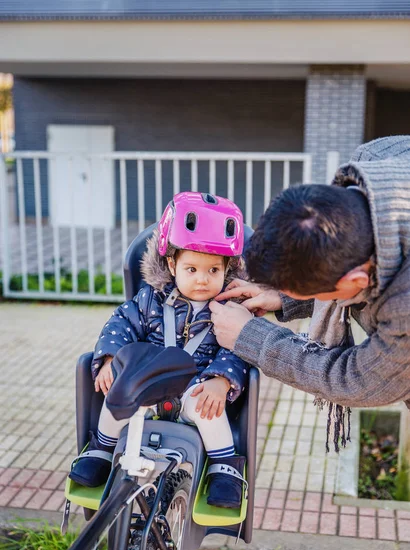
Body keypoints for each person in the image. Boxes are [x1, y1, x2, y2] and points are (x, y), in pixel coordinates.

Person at [210, 136, 410, 450]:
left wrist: (249, 335)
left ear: (357, 279)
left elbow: (358, 380)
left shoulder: (405, 308)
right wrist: (284, 295)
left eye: (309, 293)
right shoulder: (374, 159)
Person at [69, 191, 249, 509]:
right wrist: (112, 358)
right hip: (149, 380)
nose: (203, 280)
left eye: (214, 271)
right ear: (171, 263)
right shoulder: (151, 299)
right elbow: (122, 323)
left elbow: (236, 348)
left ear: (227, 270)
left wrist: (220, 381)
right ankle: (101, 449)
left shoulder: (228, 310)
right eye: (191, 269)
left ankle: (225, 468)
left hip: (198, 384)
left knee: (210, 410)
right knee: (118, 396)